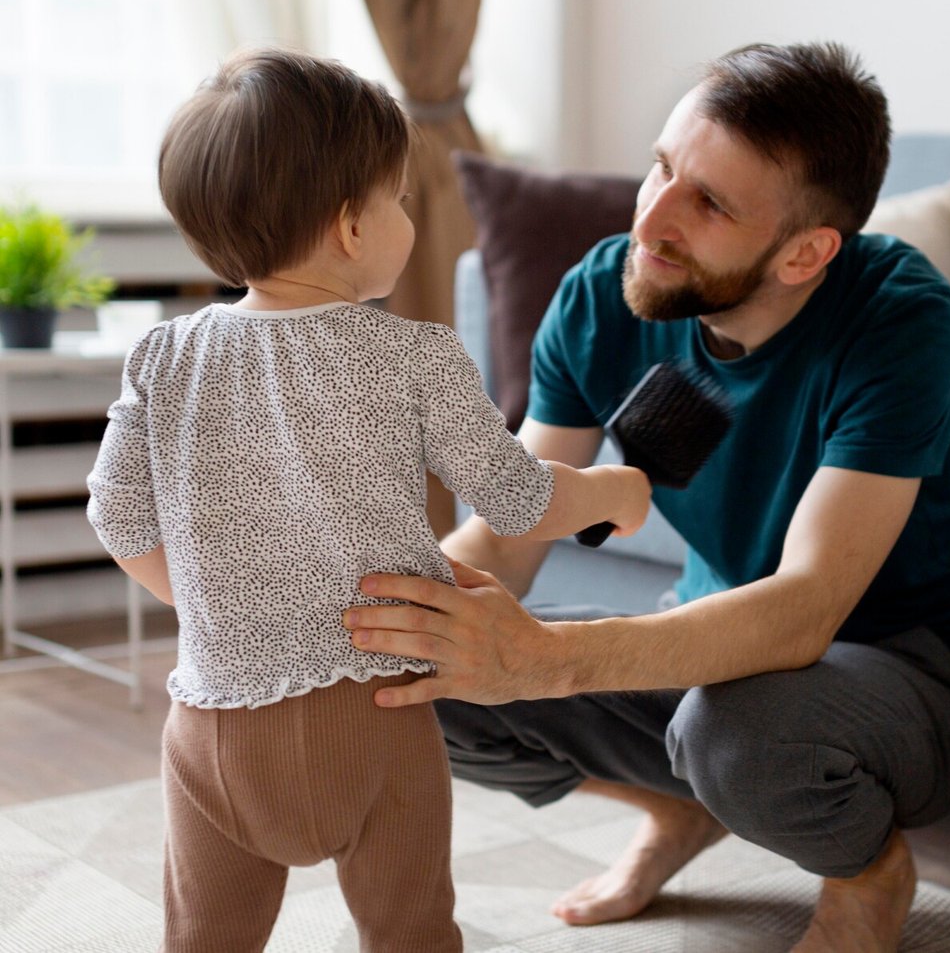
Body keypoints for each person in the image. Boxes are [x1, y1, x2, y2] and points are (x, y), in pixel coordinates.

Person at [343, 41, 950, 953]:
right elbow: (507, 535)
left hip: (897, 675)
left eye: (710, 203)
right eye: (661, 168)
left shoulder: (901, 318)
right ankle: (679, 809)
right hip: (711, 663)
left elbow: (806, 611)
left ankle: (869, 872)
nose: (652, 219)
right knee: (414, 667)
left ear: (806, 252)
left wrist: (546, 659)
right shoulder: (603, 293)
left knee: (735, 734)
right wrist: (370, 618)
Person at [84, 46, 650, 953]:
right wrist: (609, 490)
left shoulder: (164, 355)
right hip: (374, 715)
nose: (408, 216)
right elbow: (513, 496)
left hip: (212, 729)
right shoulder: (413, 356)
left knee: (203, 938)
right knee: (409, 928)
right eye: (399, 198)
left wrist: (214, 601)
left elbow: (117, 515)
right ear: (352, 227)